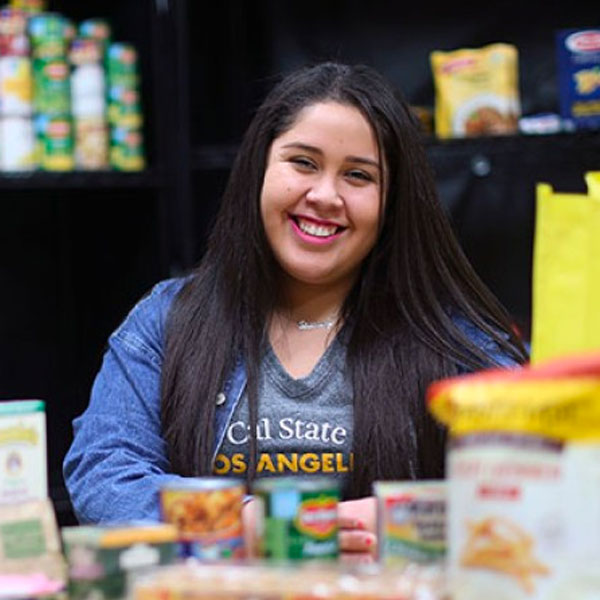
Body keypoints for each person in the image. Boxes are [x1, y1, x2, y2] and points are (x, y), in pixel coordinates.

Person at [63, 61, 528, 561]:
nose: (324, 196)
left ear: (392, 204)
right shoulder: (168, 319)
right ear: (260, 169)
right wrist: (245, 524)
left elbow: (525, 478)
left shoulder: (455, 338)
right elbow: (104, 472)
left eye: (358, 175)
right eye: (303, 163)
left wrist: (405, 516)